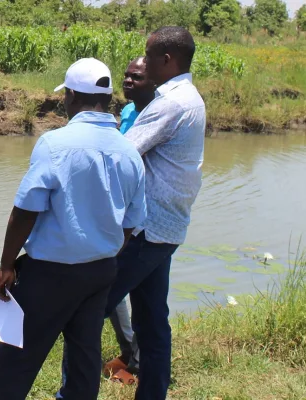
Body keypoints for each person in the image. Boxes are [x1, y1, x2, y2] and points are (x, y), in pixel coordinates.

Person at [0, 58, 147, 400]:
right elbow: (132, 222)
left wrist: (6, 264)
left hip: (50, 274)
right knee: (84, 356)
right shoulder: (129, 151)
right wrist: (105, 255)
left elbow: (25, 210)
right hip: (100, 272)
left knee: (18, 357)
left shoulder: (55, 144)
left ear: (70, 95)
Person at [63, 26, 206, 400]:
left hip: (147, 228)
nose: (142, 64)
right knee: (152, 321)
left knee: (89, 312)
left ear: (166, 60)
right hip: (167, 227)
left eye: (149, 55)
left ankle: (74, 394)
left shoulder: (171, 103)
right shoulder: (189, 97)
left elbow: (124, 153)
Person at [103, 56, 156, 384]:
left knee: (114, 286)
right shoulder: (127, 112)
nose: (128, 81)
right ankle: (133, 354)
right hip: (119, 210)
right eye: (126, 76)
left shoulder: (154, 117)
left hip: (138, 215)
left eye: (136, 77)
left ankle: (134, 358)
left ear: (153, 83)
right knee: (123, 288)